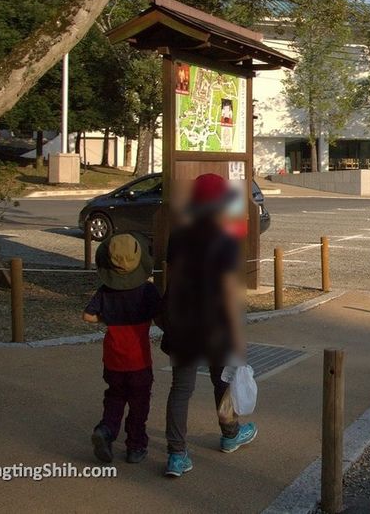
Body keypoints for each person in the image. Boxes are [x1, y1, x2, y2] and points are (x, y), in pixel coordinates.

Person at [161, 173, 255, 478]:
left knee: (181, 389)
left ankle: (177, 455)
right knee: (222, 380)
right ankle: (230, 434)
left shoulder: (179, 234)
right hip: (216, 323)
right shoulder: (225, 238)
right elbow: (228, 290)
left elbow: (171, 276)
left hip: (184, 320)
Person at [82, 233, 159, 464]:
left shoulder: (105, 291)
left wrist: (107, 319)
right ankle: (135, 446)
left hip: (113, 357)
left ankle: (106, 430)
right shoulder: (147, 291)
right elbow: (160, 313)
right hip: (139, 359)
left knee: (115, 397)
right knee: (139, 403)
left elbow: (87, 315)